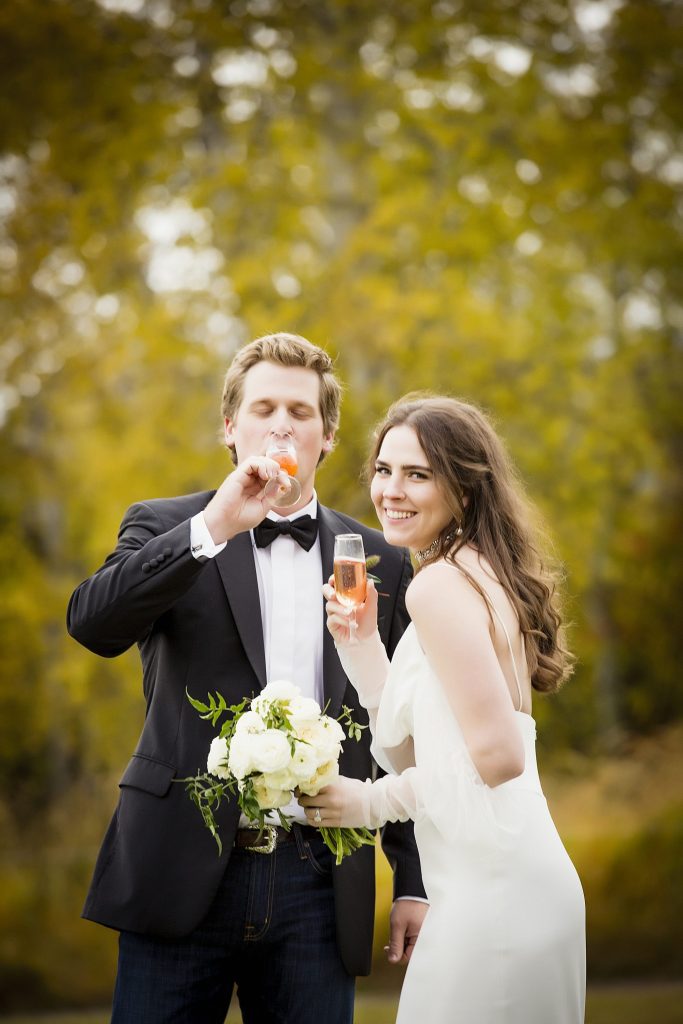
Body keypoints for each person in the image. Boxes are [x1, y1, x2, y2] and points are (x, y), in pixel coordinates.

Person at [66, 333, 427, 1024]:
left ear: (326, 437)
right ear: (231, 428)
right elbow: (93, 625)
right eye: (264, 407)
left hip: (319, 879)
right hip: (179, 865)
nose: (283, 423)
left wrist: (413, 879)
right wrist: (213, 528)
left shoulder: (378, 555)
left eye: (301, 410)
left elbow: (402, 728)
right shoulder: (167, 525)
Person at [300, 394, 586, 1024]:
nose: (390, 491)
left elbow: (499, 757)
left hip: (497, 896)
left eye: (417, 474)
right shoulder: (473, 571)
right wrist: (361, 643)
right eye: (383, 469)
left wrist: (369, 802)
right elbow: (417, 747)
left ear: (465, 487)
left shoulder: (438, 585)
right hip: (503, 884)